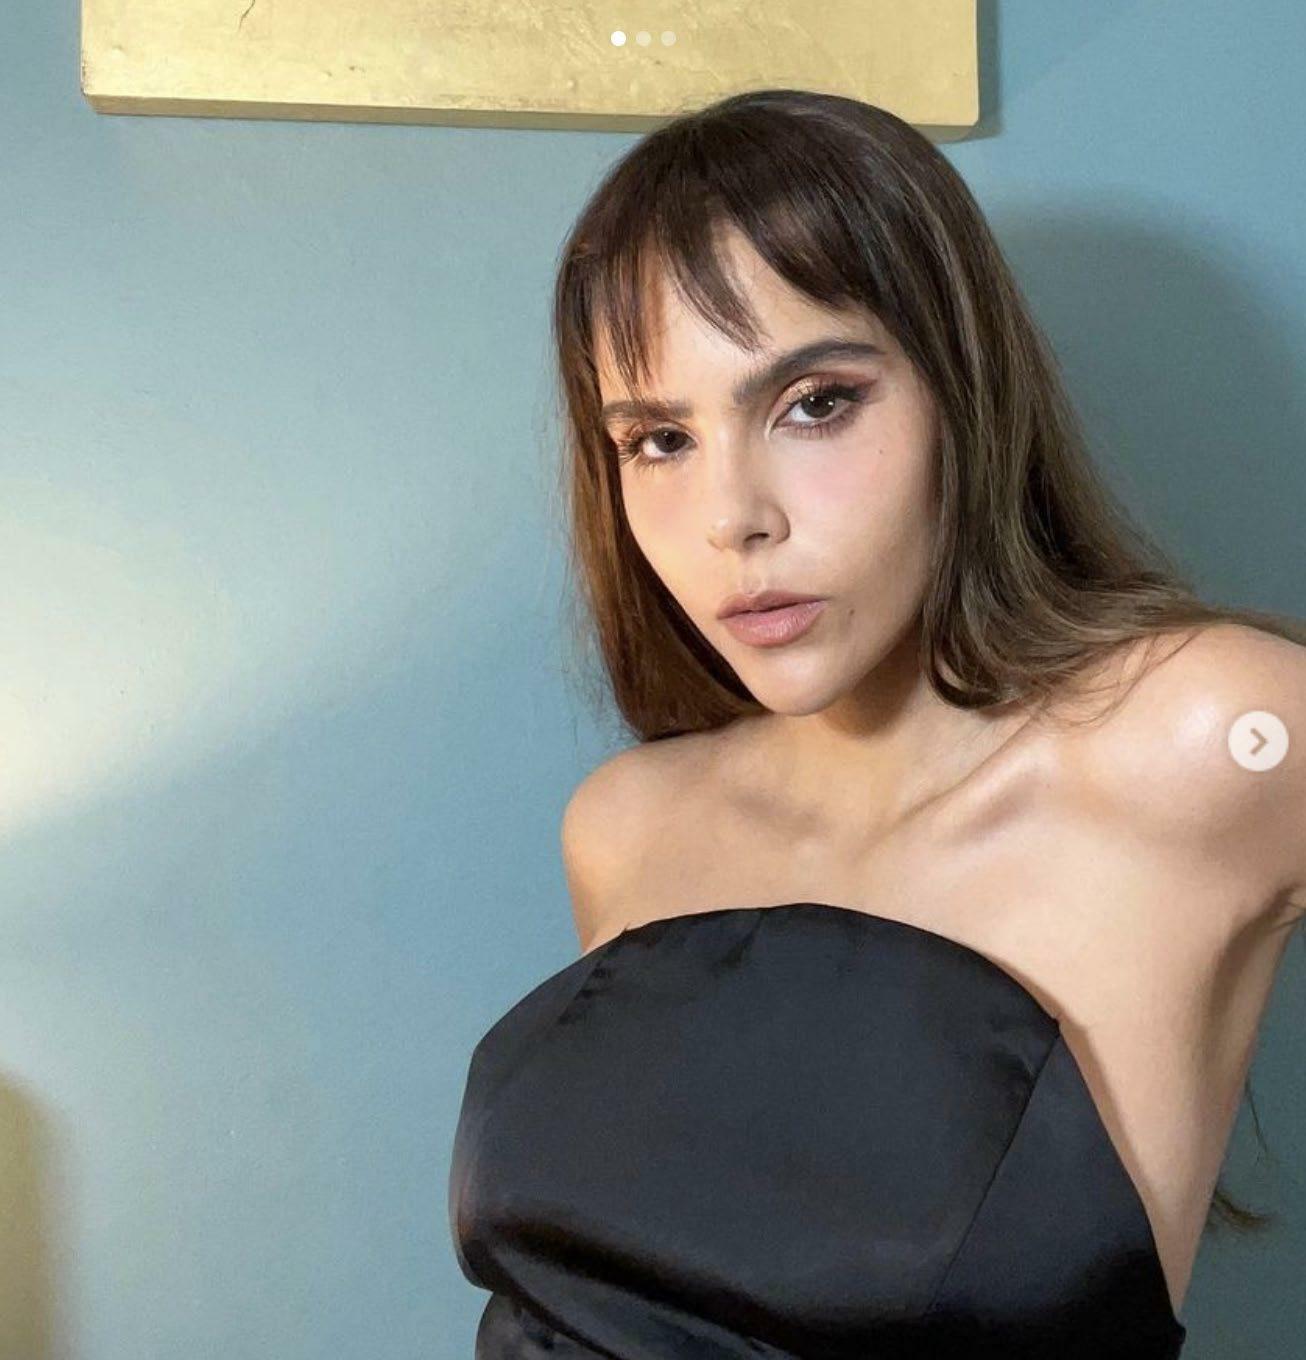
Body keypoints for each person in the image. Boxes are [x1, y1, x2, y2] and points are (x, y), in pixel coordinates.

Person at [448, 89, 1306, 1357]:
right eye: (660, 439)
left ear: (962, 391)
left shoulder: (1209, 735)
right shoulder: (625, 830)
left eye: (814, 402)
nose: (732, 518)